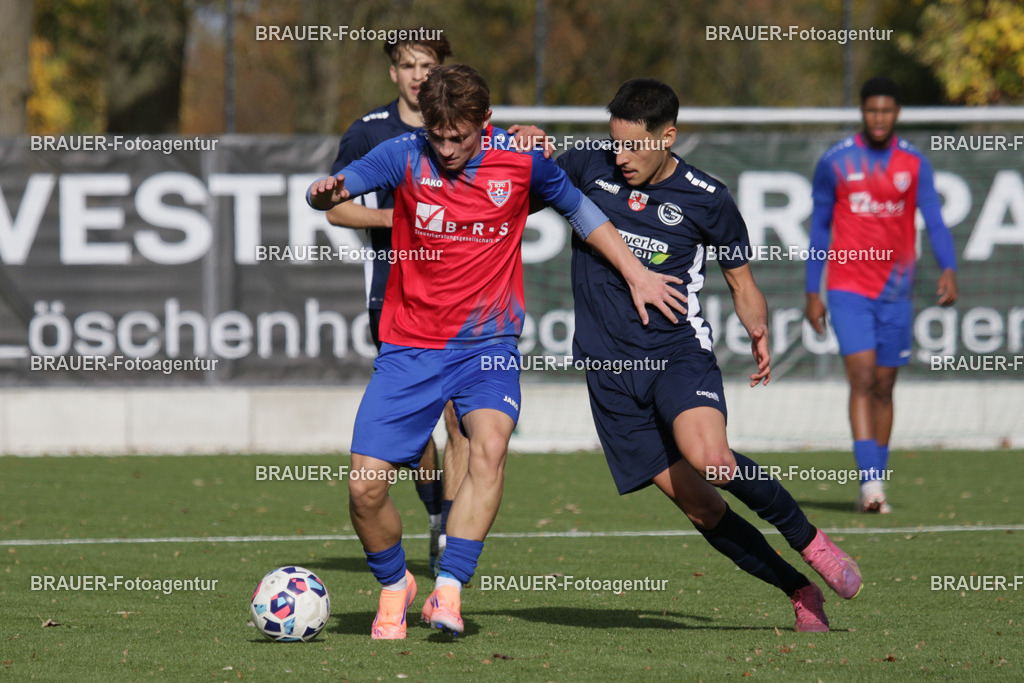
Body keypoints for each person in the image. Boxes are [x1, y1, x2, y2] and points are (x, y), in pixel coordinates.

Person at [307, 65, 686, 639]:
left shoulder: (520, 158)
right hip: (410, 345)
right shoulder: (403, 153)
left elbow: (582, 211)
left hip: (488, 343)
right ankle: (394, 583)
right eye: (438, 136)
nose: (449, 148)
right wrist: (324, 193)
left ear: (486, 124)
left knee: (488, 445)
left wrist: (636, 274)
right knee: (365, 487)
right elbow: (337, 191)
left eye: (460, 137)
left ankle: (449, 589)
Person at [555, 78, 862, 631]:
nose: (620, 157)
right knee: (703, 508)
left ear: (668, 136)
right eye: (614, 143)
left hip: (676, 352)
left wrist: (758, 326)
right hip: (607, 372)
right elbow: (517, 180)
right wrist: (521, 143)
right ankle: (799, 590)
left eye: (634, 146)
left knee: (712, 459)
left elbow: (741, 281)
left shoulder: (708, 197)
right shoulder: (585, 166)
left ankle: (810, 541)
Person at [324, 30, 455, 574]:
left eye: (427, 64)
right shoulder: (371, 132)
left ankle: (452, 524)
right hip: (396, 292)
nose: (418, 74)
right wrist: (396, 220)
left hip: (461, 294)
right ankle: (432, 509)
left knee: (463, 417)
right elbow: (335, 208)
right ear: (393, 73)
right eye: (407, 65)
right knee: (418, 424)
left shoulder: (459, 125)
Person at [806, 77, 958, 513]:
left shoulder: (913, 163)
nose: (878, 118)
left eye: (886, 111)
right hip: (847, 288)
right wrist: (810, 291)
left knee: (886, 385)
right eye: (871, 110)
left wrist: (948, 267)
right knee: (863, 379)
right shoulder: (835, 161)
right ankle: (870, 485)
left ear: (897, 113)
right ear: (862, 112)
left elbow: (934, 217)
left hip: (896, 292)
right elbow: (818, 229)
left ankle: (877, 481)